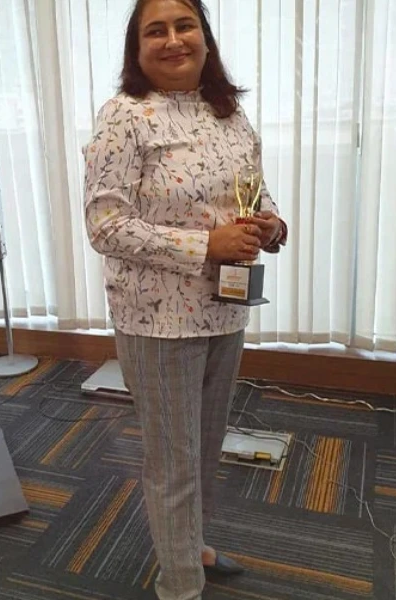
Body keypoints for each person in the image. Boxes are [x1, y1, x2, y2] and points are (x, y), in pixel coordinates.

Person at [83, 1, 287, 598]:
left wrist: (270, 223)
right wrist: (206, 245)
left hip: (225, 306)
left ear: (205, 37)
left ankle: (189, 546)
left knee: (203, 446)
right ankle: (179, 585)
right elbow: (105, 226)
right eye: (156, 30)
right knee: (173, 462)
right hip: (158, 319)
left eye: (184, 25)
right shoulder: (124, 117)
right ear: (137, 47)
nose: (173, 40)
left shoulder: (228, 111)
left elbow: (253, 187)